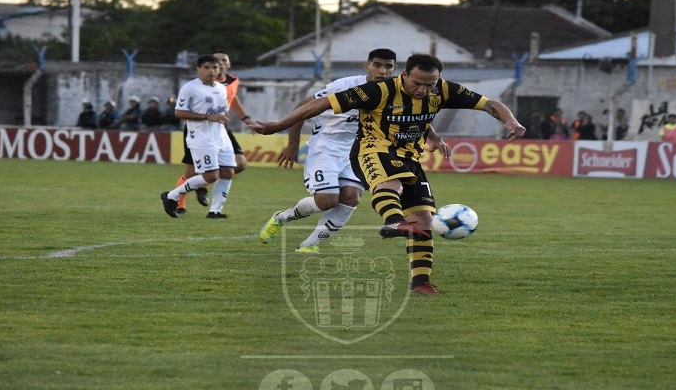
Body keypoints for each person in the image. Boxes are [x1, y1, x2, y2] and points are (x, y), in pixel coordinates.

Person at [251, 53, 526, 295]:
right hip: (372, 150)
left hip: (411, 158)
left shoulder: (443, 90)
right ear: (404, 75)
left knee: (423, 221)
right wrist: (279, 125)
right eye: (416, 83)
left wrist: (510, 120)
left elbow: (491, 104)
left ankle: (420, 282)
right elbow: (321, 103)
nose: (422, 90)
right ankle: (393, 221)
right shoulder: (377, 90)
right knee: (388, 184)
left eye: (429, 85)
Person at [258, 48, 398, 253]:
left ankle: (309, 246)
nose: (382, 71)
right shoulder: (344, 86)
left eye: (388, 66)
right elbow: (303, 107)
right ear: (367, 65)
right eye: (377, 65)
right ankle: (282, 218)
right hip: (326, 150)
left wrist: (435, 139)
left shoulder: (394, 93)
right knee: (327, 201)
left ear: (394, 69)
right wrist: (292, 144)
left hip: (358, 154)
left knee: (352, 197)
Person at [174, 51, 254, 212]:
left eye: (223, 61)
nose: (220, 64)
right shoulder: (198, 85)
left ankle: (207, 192)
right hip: (200, 129)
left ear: (228, 64)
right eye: (215, 62)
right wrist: (207, 117)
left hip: (221, 127)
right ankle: (178, 201)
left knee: (239, 164)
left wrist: (245, 118)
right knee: (192, 171)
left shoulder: (232, 81)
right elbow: (180, 111)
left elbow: (233, 98)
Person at [160, 54, 235, 219]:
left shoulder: (222, 88)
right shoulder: (190, 88)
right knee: (210, 176)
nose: (211, 71)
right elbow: (179, 112)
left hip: (220, 136)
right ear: (198, 69)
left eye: (214, 67)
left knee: (228, 172)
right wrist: (207, 117)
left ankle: (215, 211)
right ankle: (172, 196)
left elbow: (222, 112)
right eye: (207, 67)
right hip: (201, 137)